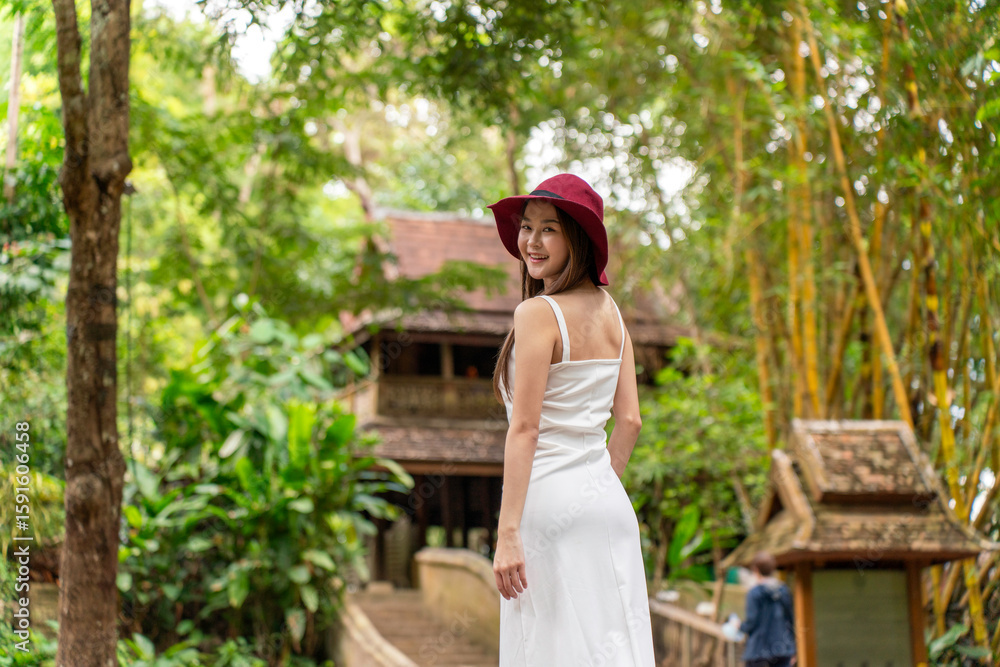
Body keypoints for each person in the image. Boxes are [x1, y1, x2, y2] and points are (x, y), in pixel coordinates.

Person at [487, 173, 656, 666]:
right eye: (526, 227)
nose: (531, 242)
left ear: (576, 238)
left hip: (546, 505)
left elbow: (526, 429)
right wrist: (596, 487)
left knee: (547, 650)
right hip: (606, 504)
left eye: (549, 229)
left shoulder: (538, 313)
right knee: (614, 649)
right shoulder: (612, 313)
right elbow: (629, 422)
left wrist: (508, 532)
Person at [739, 551, 797, 667]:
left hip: (758, 651)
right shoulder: (784, 591)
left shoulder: (754, 594)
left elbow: (752, 622)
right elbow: (791, 620)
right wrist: (793, 648)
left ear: (756, 569)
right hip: (783, 650)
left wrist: (739, 626)